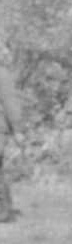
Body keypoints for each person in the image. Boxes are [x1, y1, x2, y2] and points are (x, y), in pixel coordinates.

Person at [0, 41, 22, 223]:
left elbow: (10, 106)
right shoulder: (3, 75)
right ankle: (4, 211)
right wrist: (18, 130)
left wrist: (16, 128)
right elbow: (11, 105)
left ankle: (4, 212)